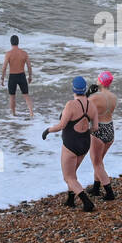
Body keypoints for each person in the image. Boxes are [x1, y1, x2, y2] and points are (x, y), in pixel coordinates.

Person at [42, 76, 99, 211]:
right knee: (72, 174)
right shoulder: (92, 105)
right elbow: (95, 128)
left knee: (68, 177)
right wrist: (84, 131)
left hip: (71, 144)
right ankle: (70, 200)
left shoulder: (70, 105)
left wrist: (47, 130)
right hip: (85, 143)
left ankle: (86, 202)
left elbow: (61, 125)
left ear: (73, 89)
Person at [87, 71, 117, 201]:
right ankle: (96, 187)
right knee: (99, 161)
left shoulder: (95, 97)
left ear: (100, 81)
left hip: (98, 130)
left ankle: (109, 192)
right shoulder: (114, 97)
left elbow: (81, 106)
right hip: (110, 129)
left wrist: (88, 93)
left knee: (96, 163)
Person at [1, 34, 34, 117]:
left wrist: (2, 78)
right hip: (22, 76)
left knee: (12, 96)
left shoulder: (8, 54)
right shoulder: (24, 53)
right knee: (26, 95)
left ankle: (13, 114)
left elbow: (4, 67)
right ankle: (31, 113)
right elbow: (29, 66)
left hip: (12, 76)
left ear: (11, 43)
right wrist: (30, 76)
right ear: (18, 42)